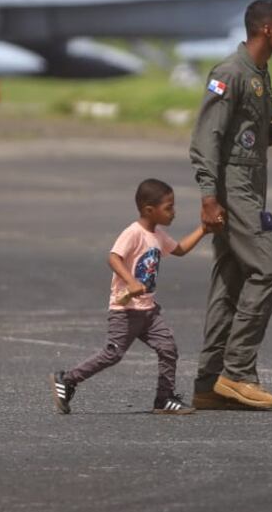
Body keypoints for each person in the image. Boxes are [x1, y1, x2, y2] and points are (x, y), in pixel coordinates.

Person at [188, 0, 272, 411]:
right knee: (271, 268)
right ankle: (238, 372)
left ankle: (208, 384)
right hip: (234, 188)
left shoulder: (259, 73)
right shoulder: (229, 72)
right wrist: (209, 196)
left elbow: (247, 138)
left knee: (232, 280)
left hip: (249, 184)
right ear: (266, 29)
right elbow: (206, 138)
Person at [49, 178, 211, 416]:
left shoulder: (158, 235)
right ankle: (67, 379)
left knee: (168, 348)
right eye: (168, 208)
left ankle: (164, 399)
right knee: (112, 354)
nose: (173, 213)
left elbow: (181, 250)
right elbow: (113, 257)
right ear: (149, 210)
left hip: (148, 310)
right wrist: (132, 282)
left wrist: (204, 229)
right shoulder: (133, 233)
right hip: (124, 310)